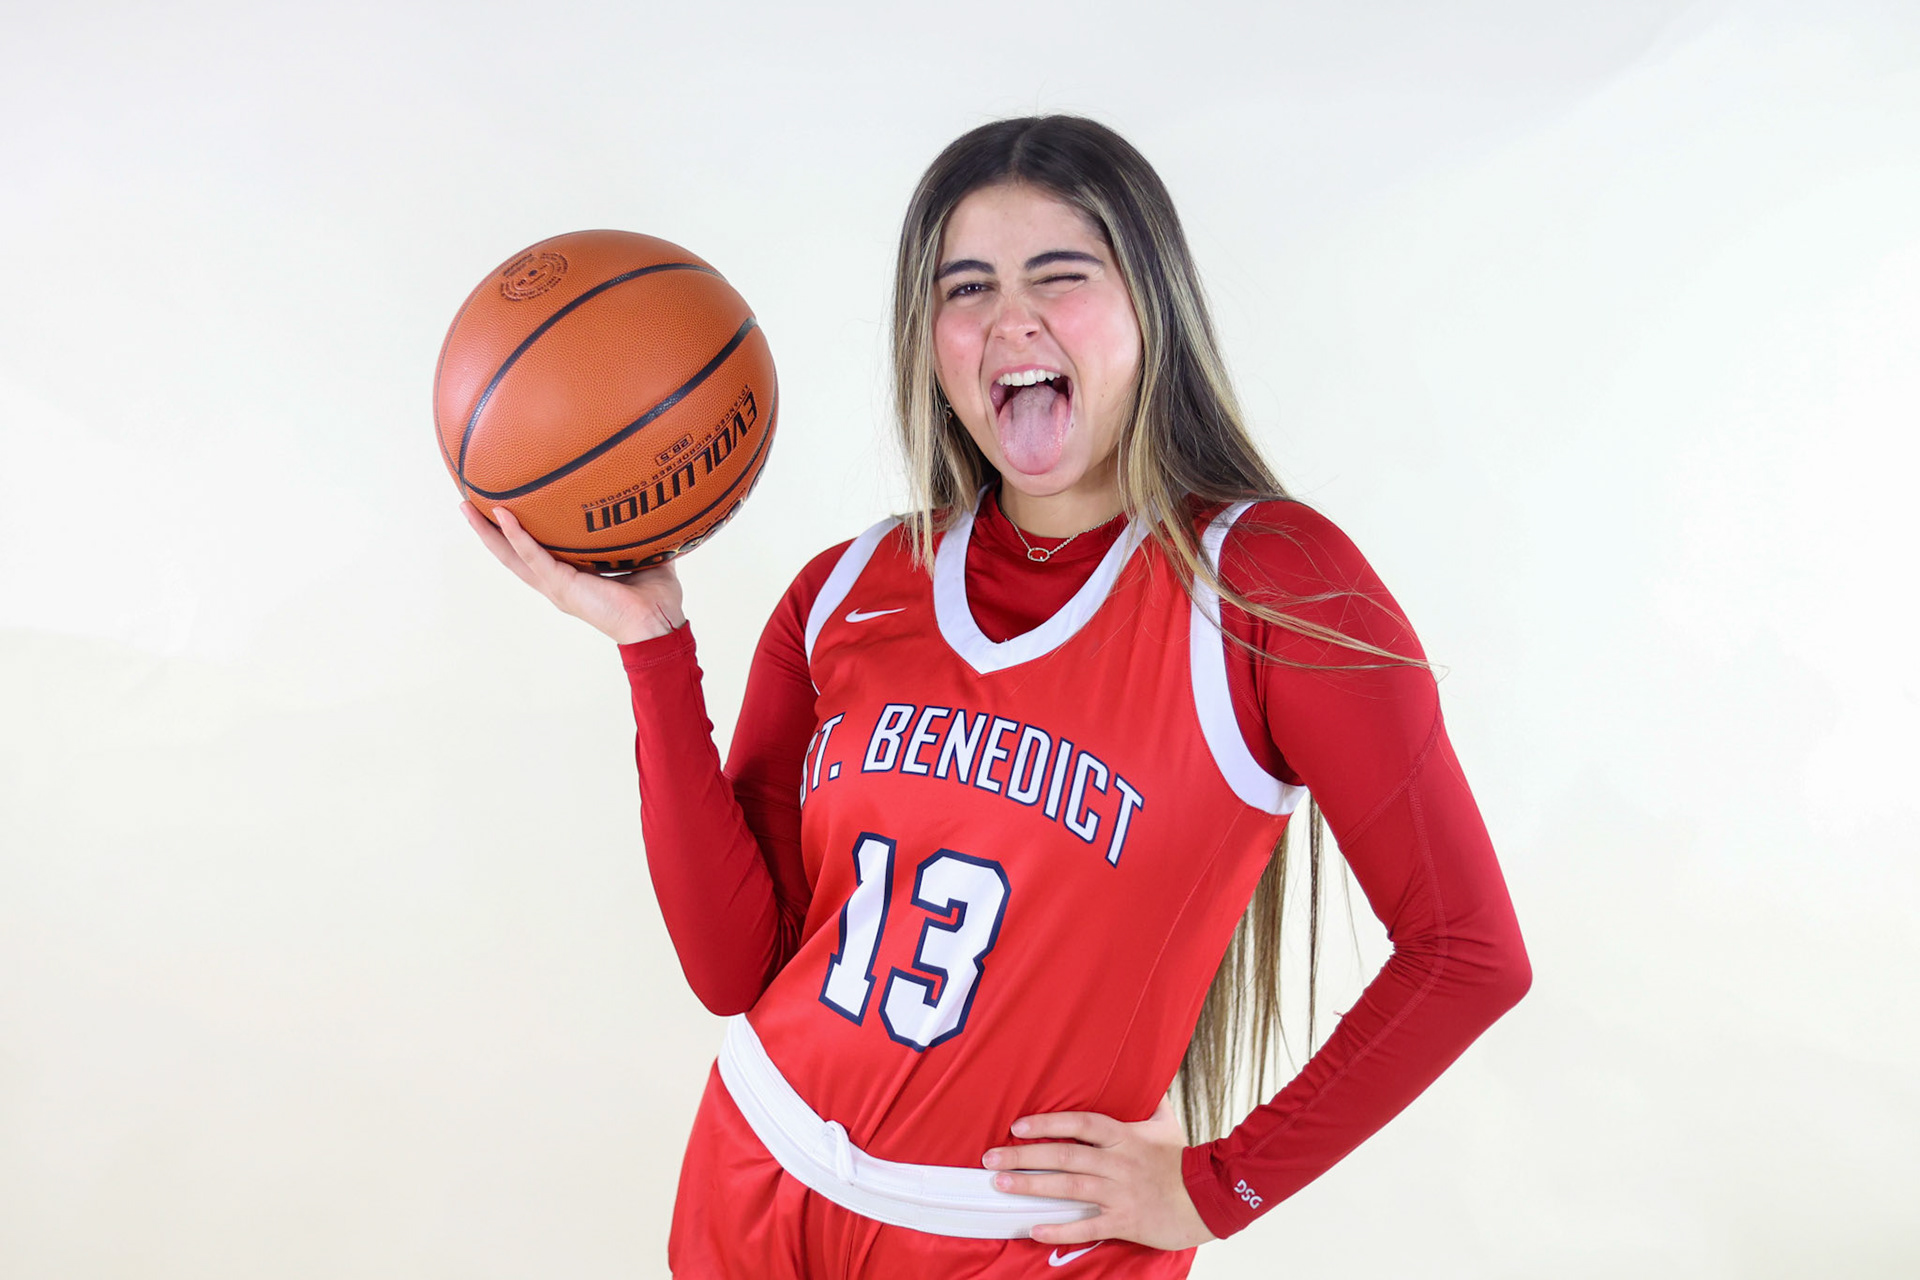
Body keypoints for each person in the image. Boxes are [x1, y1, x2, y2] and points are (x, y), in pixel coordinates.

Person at [463, 115, 1531, 1279]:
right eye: (965, 288)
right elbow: (734, 969)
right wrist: (654, 646)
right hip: (751, 1178)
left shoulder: (1267, 584)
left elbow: (1469, 949)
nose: (1010, 319)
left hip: (1017, 1248)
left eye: (1059, 278)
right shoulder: (848, 589)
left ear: (1151, 306)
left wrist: (1220, 1186)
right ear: (932, 342)